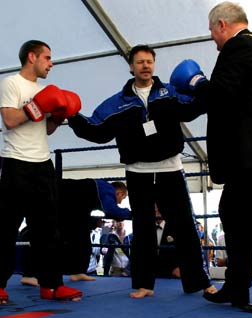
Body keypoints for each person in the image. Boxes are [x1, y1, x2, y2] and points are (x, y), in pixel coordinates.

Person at [170, 1, 252, 313]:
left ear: (222, 25)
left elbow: (221, 95)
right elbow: (230, 97)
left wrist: (197, 83)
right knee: (233, 214)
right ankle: (236, 285)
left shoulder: (239, 47)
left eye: (212, 31)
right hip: (248, 156)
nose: (212, 38)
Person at [68, 44, 216, 298]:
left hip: (171, 168)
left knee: (185, 227)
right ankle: (144, 284)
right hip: (138, 172)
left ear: (154, 65)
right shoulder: (116, 103)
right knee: (144, 228)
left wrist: (200, 83)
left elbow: (197, 107)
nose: (145, 66)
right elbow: (96, 131)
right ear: (131, 66)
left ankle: (201, 282)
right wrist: (70, 114)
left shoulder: (170, 93)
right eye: (140, 62)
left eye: (149, 61)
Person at [0, 40, 82, 304]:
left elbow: (45, 130)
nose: (51, 63)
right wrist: (37, 106)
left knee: (48, 230)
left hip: (42, 164)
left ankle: (52, 285)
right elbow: (10, 121)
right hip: (15, 163)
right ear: (31, 57)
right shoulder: (11, 83)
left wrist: (58, 115)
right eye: (47, 57)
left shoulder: (47, 90)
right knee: (6, 227)